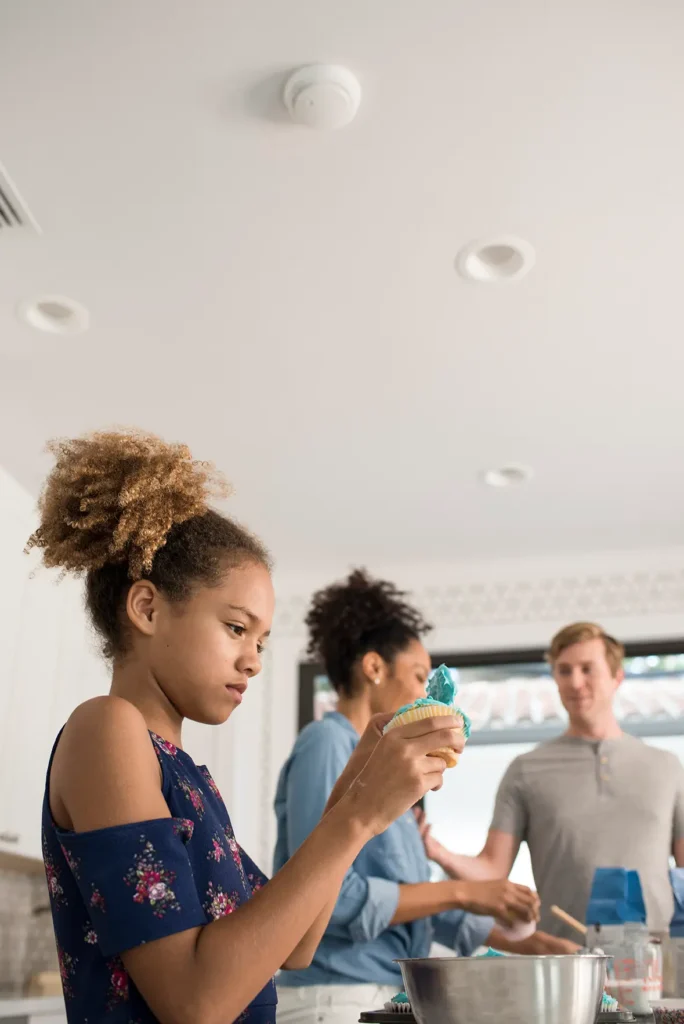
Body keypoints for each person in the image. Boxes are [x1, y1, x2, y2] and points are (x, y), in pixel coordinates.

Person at [32, 430, 467, 1024]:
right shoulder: (107, 730)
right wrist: (359, 812)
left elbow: (296, 944)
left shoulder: (182, 773)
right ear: (147, 608)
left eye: (261, 641)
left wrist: (361, 780)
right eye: (237, 628)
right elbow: (193, 1001)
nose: (254, 660)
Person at [273, 571, 573, 1024]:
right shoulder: (327, 743)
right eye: (418, 676)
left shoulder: (388, 773)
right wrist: (464, 891)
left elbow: (413, 906)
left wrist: (526, 943)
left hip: (377, 994)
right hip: (332, 997)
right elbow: (326, 895)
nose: (424, 694)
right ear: (374, 668)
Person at [430, 622, 684, 939]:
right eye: (564, 671)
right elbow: (493, 871)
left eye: (587, 669)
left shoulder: (667, 767)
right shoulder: (525, 770)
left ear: (617, 677)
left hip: (657, 967)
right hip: (566, 965)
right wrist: (438, 851)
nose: (575, 682)